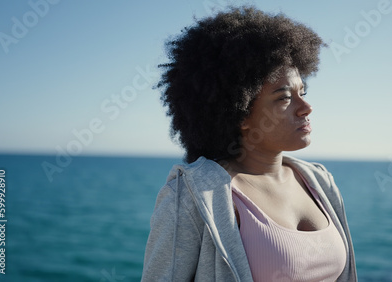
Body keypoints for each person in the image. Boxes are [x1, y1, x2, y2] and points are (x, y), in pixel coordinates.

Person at [142, 6, 357, 282]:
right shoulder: (194, 196)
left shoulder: (320, 181)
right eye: (284, 97)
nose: (306, 107)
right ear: (239, 112)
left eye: (302, 92)